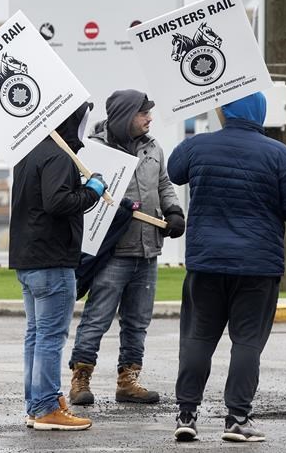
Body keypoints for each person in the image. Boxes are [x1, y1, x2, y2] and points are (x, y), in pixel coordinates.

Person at [167, 91, 286, 443]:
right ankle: (237, 418)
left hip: (206, 262)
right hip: (258, 266)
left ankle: (186, 414)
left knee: (198, 337)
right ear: (260, 114)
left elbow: (174, 170)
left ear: (225, 112)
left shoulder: (198, 146)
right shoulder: (279, 154)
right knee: (246, 342)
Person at [68, 90, 186, 406]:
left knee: (138, 321)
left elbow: (163, 185)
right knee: (97, 318)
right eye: (143, 113)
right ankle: (80, 378)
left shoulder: (153, 147)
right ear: (125, 116)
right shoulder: (93, 151)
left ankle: (128, 380)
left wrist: (173, 211)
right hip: (112, 252)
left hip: (148, 250)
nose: (149, 118)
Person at [7, 101, 108, 432]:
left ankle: (36, 403)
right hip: (52, 259)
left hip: (29, 258)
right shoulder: (58, 156)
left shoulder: (28, 153)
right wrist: (90, 192)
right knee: (50, 336)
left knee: (36, 335)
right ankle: (47, 406)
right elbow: (58, 202)